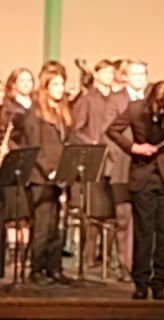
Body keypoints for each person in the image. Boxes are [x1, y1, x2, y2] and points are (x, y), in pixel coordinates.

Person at [106, 81, 164, 300]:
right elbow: (112, 130)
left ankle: (159, 283)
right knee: (143, 232)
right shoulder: (136, 108)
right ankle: (141, 282)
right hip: (143, 176)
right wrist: (134, 147)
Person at [23, 64, 73, 286]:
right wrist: (49, 170)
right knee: (43, 225)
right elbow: (35, 148)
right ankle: (36, 269)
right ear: (46, 87)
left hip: (57, 176)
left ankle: (54, 268)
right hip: (40, 177)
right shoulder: (35, 114)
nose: (60, 88)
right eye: (56, 84)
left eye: (62, 84)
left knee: (55, 225)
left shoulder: (60, 112)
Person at [106, 59, 148, 282]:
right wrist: (131, 150)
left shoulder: (151, 101)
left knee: (143, 218)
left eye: (143, 74)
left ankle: (140, 264)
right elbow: (109, 133)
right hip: (123, 165)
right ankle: (124, 263)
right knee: (123, 218)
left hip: (148, 168)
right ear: (126, 77)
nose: (139, 78)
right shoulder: (116, 100)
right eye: (135, 74)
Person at [73, 59, 116, 268]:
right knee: (92, 212)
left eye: (111, 72)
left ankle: (106, 257)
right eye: (105, 72)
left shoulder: (117, 99)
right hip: (94, 160)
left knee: (112, 213)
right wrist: (92, 143)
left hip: (115, 161)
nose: (109, 76)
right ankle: (88, 257)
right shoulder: (88, 100)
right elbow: (77, 129)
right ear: (96, 75)